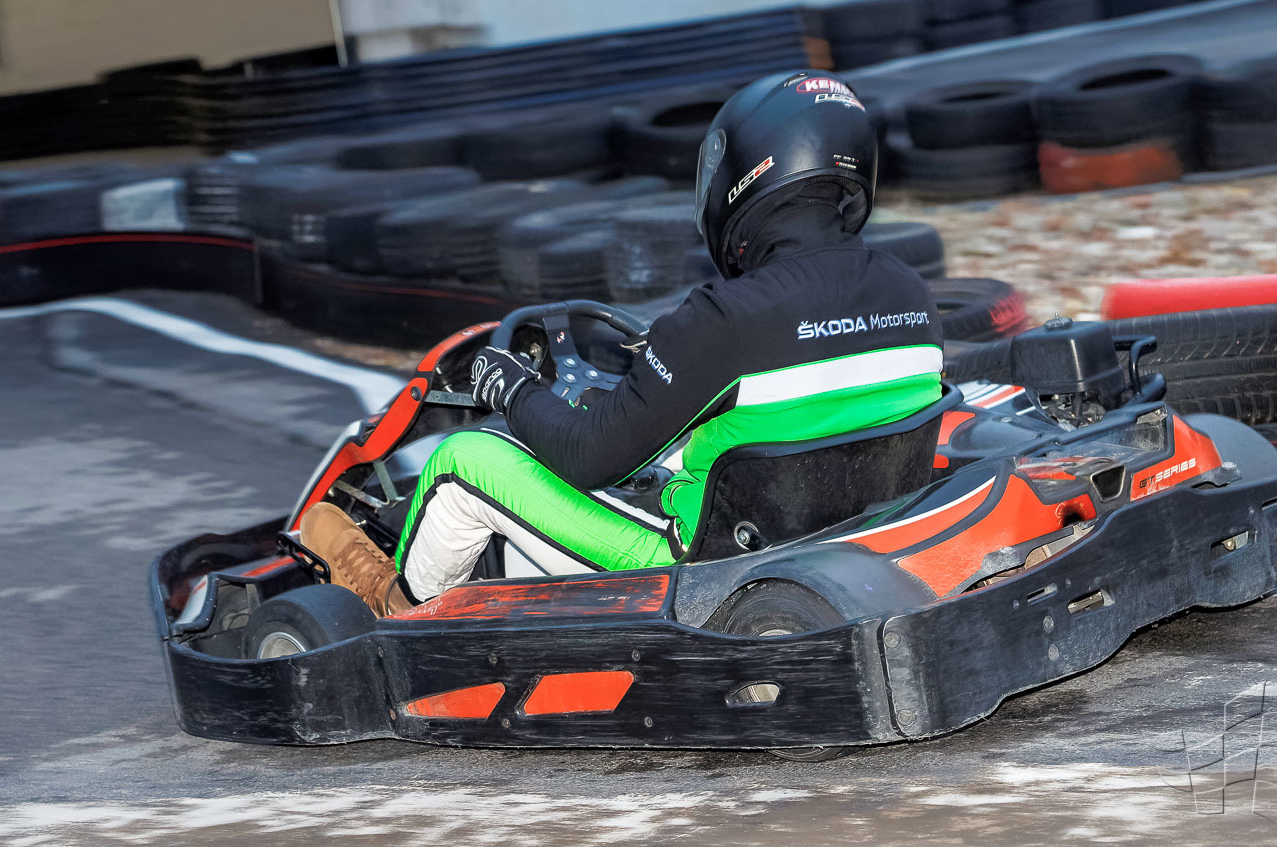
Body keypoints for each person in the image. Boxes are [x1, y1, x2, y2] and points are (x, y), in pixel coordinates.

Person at [301, 70, 944, 614]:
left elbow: (590, 457)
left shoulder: (727, 318)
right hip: (852, 530)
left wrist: (513, 388)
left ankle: (396, 609)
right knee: (680, 451)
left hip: (704, 563)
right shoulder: (910, 291)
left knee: (460, 463)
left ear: (746, 174)